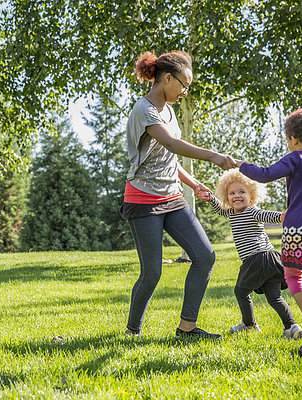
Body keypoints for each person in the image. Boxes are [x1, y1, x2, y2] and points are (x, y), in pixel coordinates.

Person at [121, 50, 236, 340]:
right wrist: (213, 157)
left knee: (205, 256)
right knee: (152, 273)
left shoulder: (169, 110)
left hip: (172, 196)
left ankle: (187, 329)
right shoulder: (144, 109)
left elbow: (167, 160)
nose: (185, 91)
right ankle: (132, 331)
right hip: (143, 198)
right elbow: (171, 144)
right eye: (183, 84)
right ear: (167, 78)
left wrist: (193, 183)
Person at [234, 108, 302, 357]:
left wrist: (239, 164)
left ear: (292, 138)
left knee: (293, 277)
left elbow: (264, 175)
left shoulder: (295, 158)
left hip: (295, 231)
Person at [198, 170, 302, 339]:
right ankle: (291, 326)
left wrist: (283, 216)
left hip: (257, 258)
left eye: (242, 192)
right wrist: (210, 198)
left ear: (252, 196)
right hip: (271, 259)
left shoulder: (252, 211)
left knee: (241, 292)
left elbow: (267, 215)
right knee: (274, 297)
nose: (236, 196)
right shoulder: (231, 212)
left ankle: (249, 325)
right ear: (227, 196)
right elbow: (220, 209)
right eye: (232, 193)